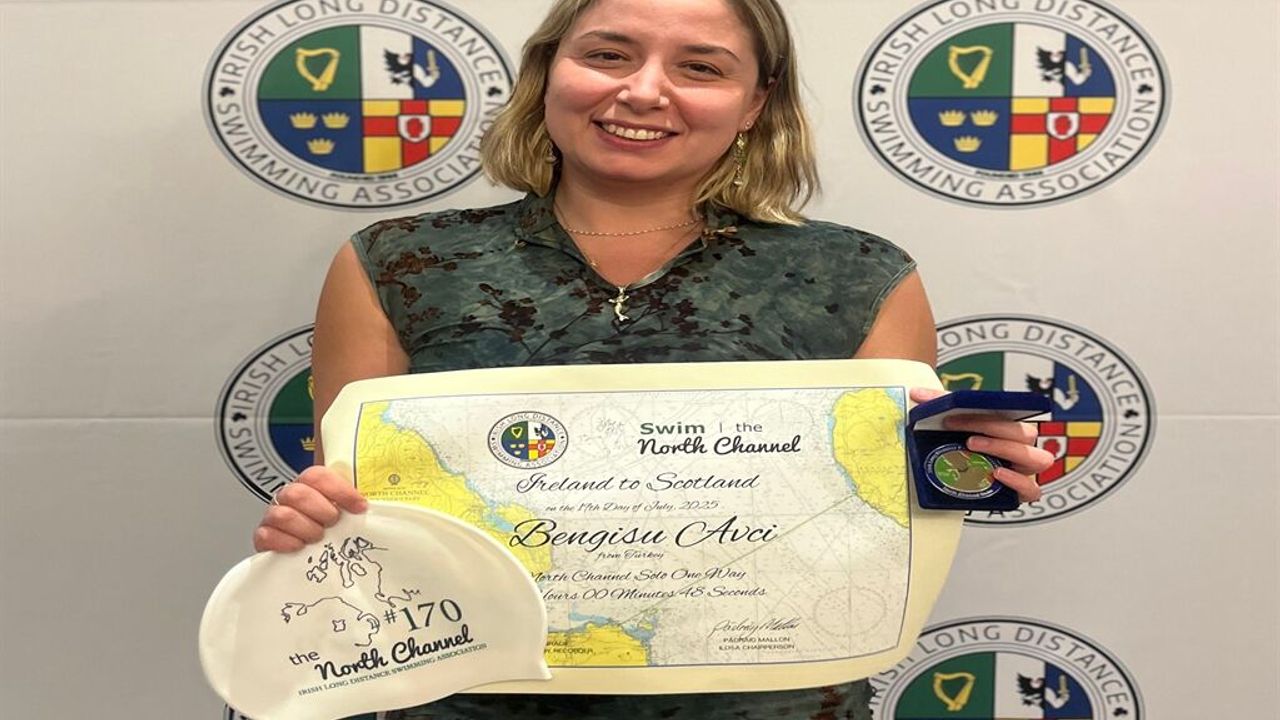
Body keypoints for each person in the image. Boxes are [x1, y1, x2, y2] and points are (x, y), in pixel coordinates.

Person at [254, 0, 1054, 717]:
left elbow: (882, 516)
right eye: (608, 55)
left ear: (755, 102)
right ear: (548, 71)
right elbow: (356, 511)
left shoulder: (860, 276)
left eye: (700, 67)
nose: (642, 91)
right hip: (467, 700)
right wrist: (317, 523)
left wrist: (964, 469)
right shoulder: (400, 263)